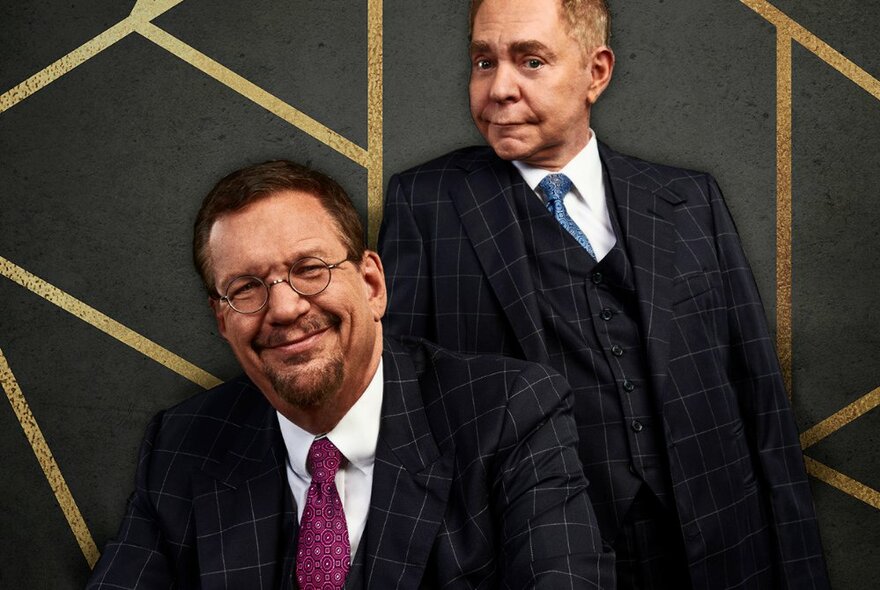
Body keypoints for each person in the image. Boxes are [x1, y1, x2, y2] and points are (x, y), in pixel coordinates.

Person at [378, 0, 830, 588]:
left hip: (718, 547)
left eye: (531, 61)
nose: (499, 88)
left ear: (597, 72)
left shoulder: (688, 200)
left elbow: (759, 397)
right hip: (534, 555)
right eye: (483, 61)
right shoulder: (427, 203)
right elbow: (403, 412)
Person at [86, 160, 613, 589]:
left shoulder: (509, 413)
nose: (285, 308)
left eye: (309, 269)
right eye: (246, 288)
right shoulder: (181, 448)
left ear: (372, 284)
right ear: (223, 321)